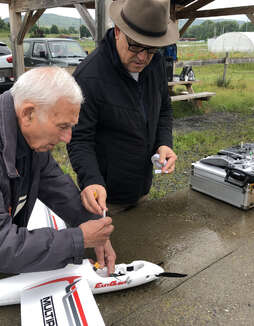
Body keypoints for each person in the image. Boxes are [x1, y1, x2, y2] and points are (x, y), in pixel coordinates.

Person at [0, 67, 115, 288]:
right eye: (63, 127)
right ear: (28, 113)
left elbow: (57, 187)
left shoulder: (26, 132)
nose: (68, 138)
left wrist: (93, 224)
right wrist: (78, 239)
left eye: (71, 127)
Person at [67, 0, 179, 216]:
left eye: (151, 49)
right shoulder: (89, 77)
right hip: (106, 196)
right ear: (118, 31)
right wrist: (91, 181)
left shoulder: (154, 64)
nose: (142, 58)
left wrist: (164, 143)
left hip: (141, 186)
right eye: (135, 46)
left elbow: (164, 109)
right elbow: (79, 139)